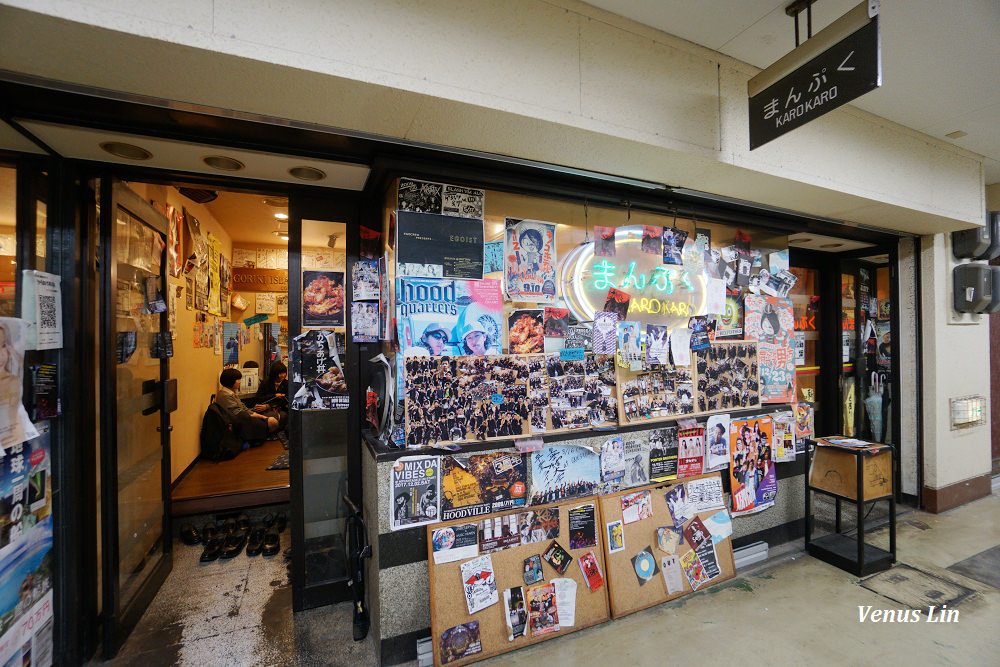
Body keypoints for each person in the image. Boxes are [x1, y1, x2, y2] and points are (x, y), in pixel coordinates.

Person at [217, 368, 279, 443]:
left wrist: (255, 413)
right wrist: (262, 417)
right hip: (241, 422)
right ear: (231, 380)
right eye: (238, 379)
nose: (240, 382)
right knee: (272, 421)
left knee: (275, 415)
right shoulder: (225, 396)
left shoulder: (230, 392)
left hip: (245, 416)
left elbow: (243, 408)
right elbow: (239, 414)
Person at [253, 361, 288, 428]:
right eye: (280, 373)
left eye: (284, 373)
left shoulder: (286, 384)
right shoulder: (266, 382)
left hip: (280, 409)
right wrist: (274, 396)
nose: (283, 375)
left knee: (283, 416)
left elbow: (285, 401)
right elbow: (259, 397)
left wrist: (269, 406)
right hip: (264, 409)